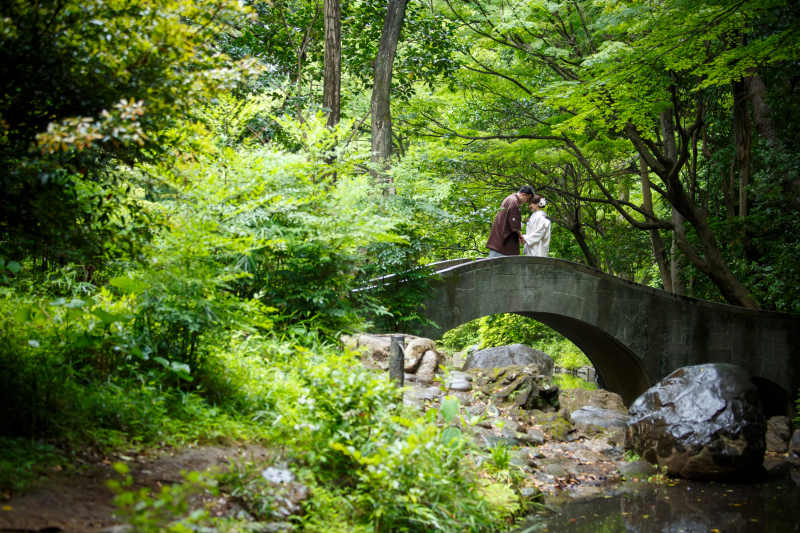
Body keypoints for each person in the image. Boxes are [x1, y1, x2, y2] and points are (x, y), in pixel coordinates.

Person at [486, 186, 534, 258]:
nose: (526, 202)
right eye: (527, 200)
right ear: (523, 195)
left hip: (499, 238)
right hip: (504, 242)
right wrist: (520, 235)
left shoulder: (509, 199)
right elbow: (514, 223)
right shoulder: (514, 202)